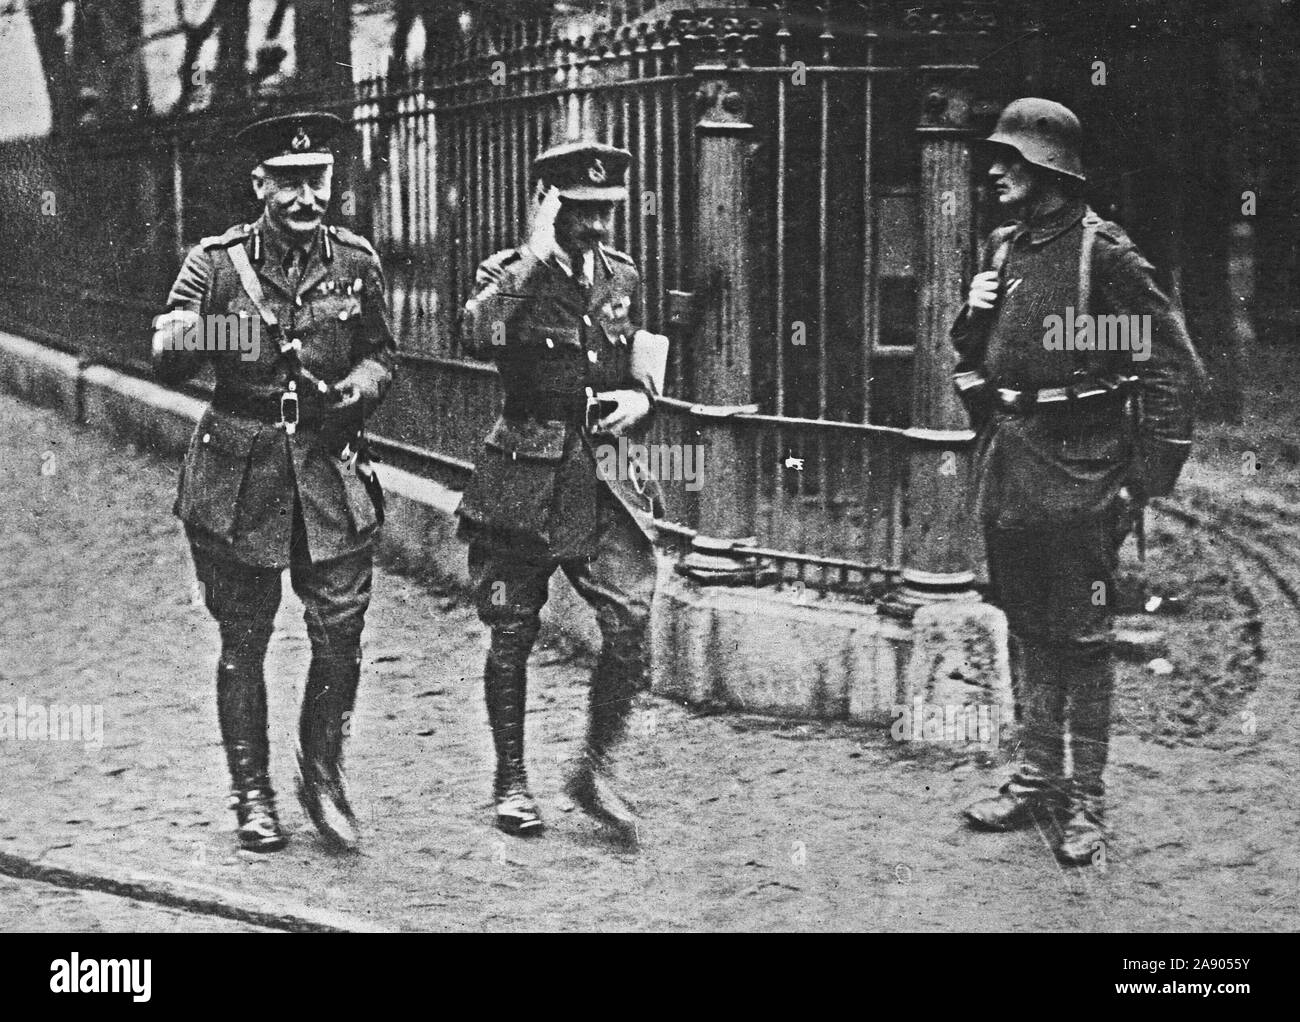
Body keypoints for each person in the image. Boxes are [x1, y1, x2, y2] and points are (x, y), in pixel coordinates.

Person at [950, 98, 1201, 866]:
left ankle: (1086, 800)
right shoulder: (1003, 249)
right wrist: (971, 314)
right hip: (1015, 464)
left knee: (1084, 640)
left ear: (1048, 169)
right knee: (1029, 628)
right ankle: (1036, 781)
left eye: (1010, 161)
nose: (994, 172)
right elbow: (974, 357)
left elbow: (1173, 370)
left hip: (1086, 469)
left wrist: (1142, 484)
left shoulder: (1105, 256)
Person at [151, 111, 396, 852]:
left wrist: (357, 389)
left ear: (330, 181)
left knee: (341, 638)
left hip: (328, 468)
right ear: (260, 183)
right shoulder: (216, 263)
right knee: (244, 640)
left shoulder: (356, 261)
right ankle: (252, 793)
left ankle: (321, 777)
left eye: (314, 180)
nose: (303, 198)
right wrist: (233, 331)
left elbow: (383, 354)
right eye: (287, 183)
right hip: (239, 474)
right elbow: (166, 349)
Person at [457, 140, 663, 844]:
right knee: (512, 627)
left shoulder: (623, 275)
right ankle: (510, 781)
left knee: (631, 615)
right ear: (549, 204)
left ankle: (595, 769)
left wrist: (641, 401)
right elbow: (477, 333)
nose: (599, 226)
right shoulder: (508, 272)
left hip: (599, 476)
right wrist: (535, 257)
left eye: (607, 210)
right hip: (524, 472)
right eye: (582, 211)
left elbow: (643, 360)